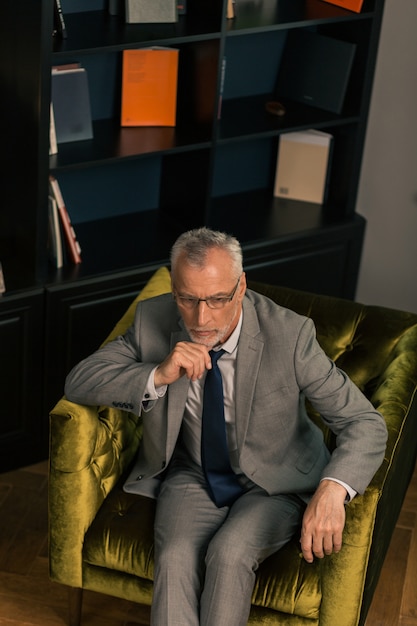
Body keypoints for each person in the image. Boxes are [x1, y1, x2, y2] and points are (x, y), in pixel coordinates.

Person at [65, 227, 388, 626]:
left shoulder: (289, 335)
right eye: (188, 299)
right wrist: (158, 374)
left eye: (217, 299)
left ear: (241, 287)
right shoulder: (154, 318)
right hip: (193, 471)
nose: (202, 318)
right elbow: (80, 379)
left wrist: (333, 488)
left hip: (278, 483)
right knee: (175, 556)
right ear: (174, 285)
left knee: (230, 553)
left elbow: (364, 421)